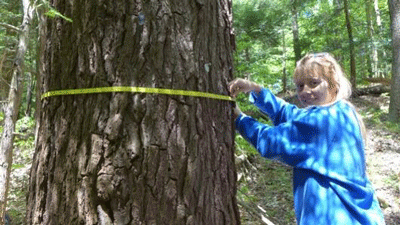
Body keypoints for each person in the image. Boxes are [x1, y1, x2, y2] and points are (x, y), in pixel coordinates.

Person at [229, 52, 385, 225]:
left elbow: (271, 141)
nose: (305, 91)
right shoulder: (342, 112)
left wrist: (240, 119)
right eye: (300, 86)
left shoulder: (323, 120)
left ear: (333, 84)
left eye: (314, 83)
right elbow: (291, 114)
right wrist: (257, 90)